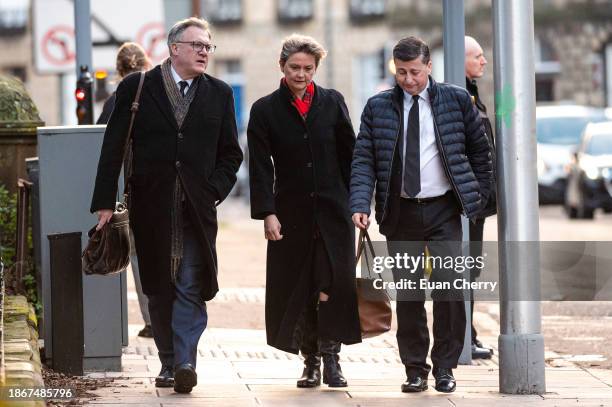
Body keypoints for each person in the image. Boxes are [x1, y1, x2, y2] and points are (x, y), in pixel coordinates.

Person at [90, 17, 243, 393]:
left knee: (191, 282)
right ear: (175, 48)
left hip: (196, 210)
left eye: (209, 46)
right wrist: (105, 202)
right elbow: (113, 148)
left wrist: (213, 191)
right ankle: (168, 361)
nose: (205, 51)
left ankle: (186, 361)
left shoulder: (220, 93)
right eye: (197, 45)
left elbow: (231, 154)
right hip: (151, 207)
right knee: (159, 288)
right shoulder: (137, 86)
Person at [350, 36, 492, 394]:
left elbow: (480, 152)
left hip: (444, 208)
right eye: (401, 72)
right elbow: (364, 158)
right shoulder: (378, 107)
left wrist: (475, 199)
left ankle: (445, 366)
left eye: (414, 71)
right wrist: (359, 203)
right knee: (411, 295)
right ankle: (415, 368)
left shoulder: (456, 100)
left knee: (449, 292)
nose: (408, 79)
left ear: (429, 67)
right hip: (400, 212)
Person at [247, 33, 361, 389]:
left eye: (308, 68)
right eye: (295, 67)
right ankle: (310, 361)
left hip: (334, 211)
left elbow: (351, 156)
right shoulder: (264, 110)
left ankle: (332, 359)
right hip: (291, 214)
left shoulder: (332, 102)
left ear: (316, 68)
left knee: (333, 284)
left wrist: (358, 203)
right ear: (281, 67)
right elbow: (260, 168)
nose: (301, 74)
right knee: (303, 287)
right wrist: (267, 212)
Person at [96, 42, 154, 339]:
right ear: (147, 64)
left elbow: (100, 145)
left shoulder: (114, 100)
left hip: (124, 192)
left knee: (135, 255)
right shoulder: (160, 93)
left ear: (119, 70)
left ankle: (151, 320)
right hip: (156, 186)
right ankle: (167, 312)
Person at [465, 35, 496, 360]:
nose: (483, 61)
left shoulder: (471, 92)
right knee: (463, 269)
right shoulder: (461, 94)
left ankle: (467, 334)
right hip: (470, 203)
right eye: (478, 56)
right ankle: (465, 336)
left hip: (478, 202)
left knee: (469, 269)